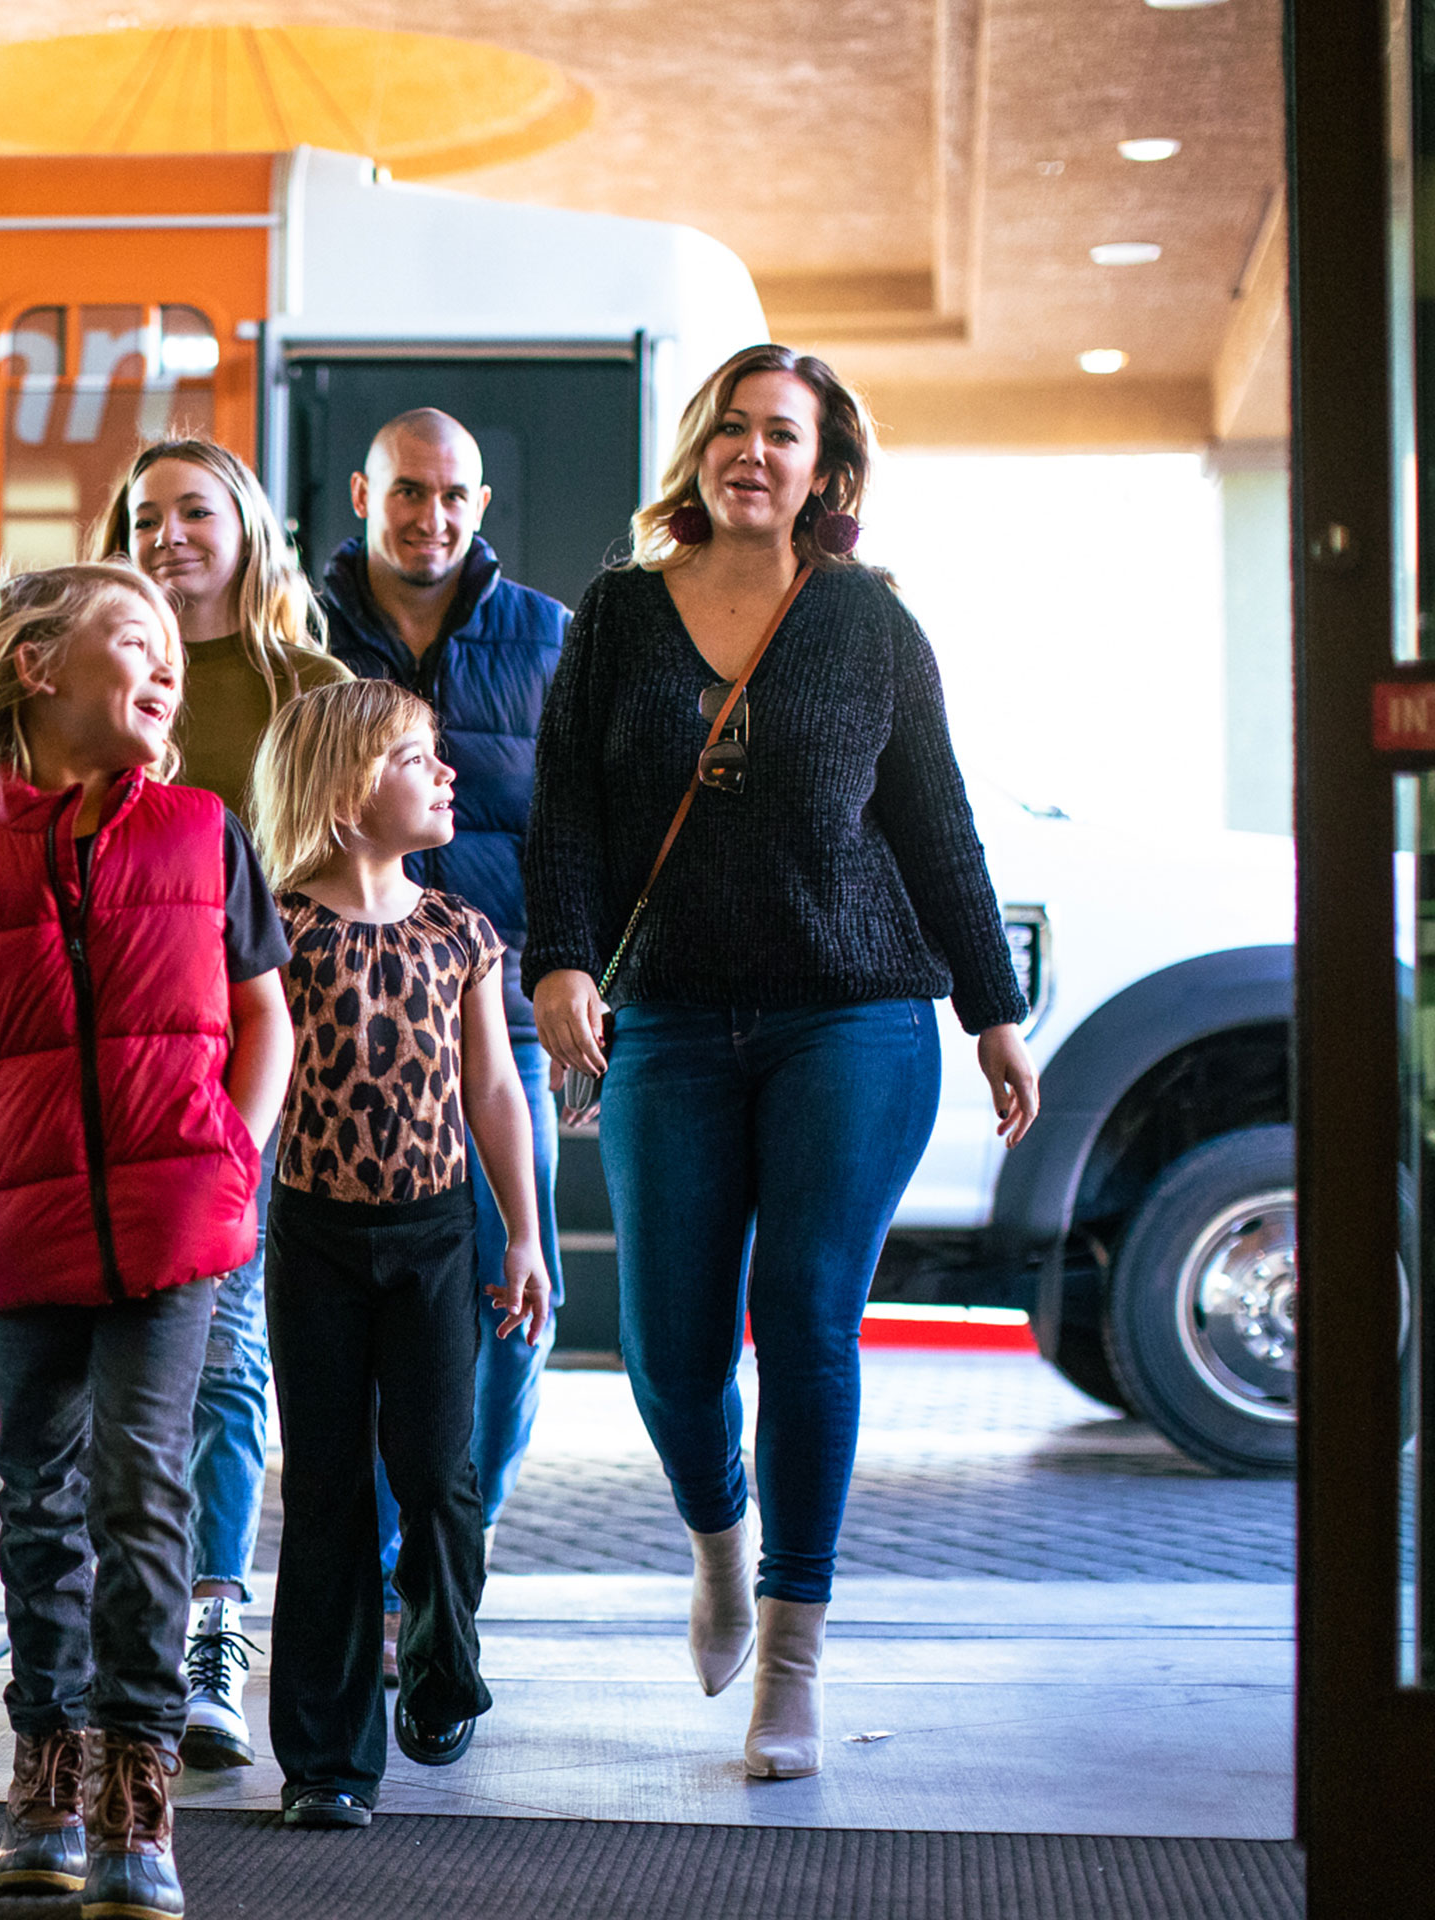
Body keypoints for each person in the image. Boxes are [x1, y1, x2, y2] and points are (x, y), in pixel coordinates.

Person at [522, 344, 1040, 1779]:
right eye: (734, 429)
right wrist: (561, 960)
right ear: (701, 451)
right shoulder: (619, 618)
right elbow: (566, 810)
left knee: (804, 1314)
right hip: (675, 1021)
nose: (756, 452)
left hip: (854, 1015)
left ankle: (794, 1660)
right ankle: (719, 1540)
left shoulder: (871, 626)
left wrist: (991, 1012)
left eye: (786, 436)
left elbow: (937, 829)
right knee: (672, 1347)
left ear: (829, 471)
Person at [0, 561, 294, 1919]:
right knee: (39, 1496)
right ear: (36, 671)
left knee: (141, 1495)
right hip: (22, 1233)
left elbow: (263, 1012)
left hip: (175, 1227)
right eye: (132, 642)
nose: (163, 667)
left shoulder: (205, 831)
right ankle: (42, 1771)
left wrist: (235, 1155)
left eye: (171, 649)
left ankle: (133, 1804)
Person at [246, 679, 547, 1829]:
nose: (447, 772)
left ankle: (437, 1665)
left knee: (436, 1475)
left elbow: (495, 1093)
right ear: (345, 787)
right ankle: (326, 1759)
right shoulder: (277, 928)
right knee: (325, 1489)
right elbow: (261, 1088)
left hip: (434, 1235)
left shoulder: (461, 932)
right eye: (420, 757)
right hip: (315, 1240)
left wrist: (523, 1231)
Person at [89, 438, 349, 1772]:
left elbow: (351, 883)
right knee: (126, 1369)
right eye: (150, 517)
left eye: (198, 512)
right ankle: (113, 1623)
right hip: (117, 1070)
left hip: (265, 1060)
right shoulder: (95, 681)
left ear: (247, 528)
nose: (174, 535)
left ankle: (210, 1632)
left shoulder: (312, 689)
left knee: (230, 1359)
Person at [313, 408, 567, 1668]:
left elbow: (579, 831)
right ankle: (366, 1590)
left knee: (516, 1307)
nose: (435, 517)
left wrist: (571, 980)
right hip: (334, 1036)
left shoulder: (544, 638)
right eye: (410, 492)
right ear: (365, 492)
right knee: (348, 1330)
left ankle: (442, 1573)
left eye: (456, 495)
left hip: (499, 1018)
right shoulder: (301, 632)